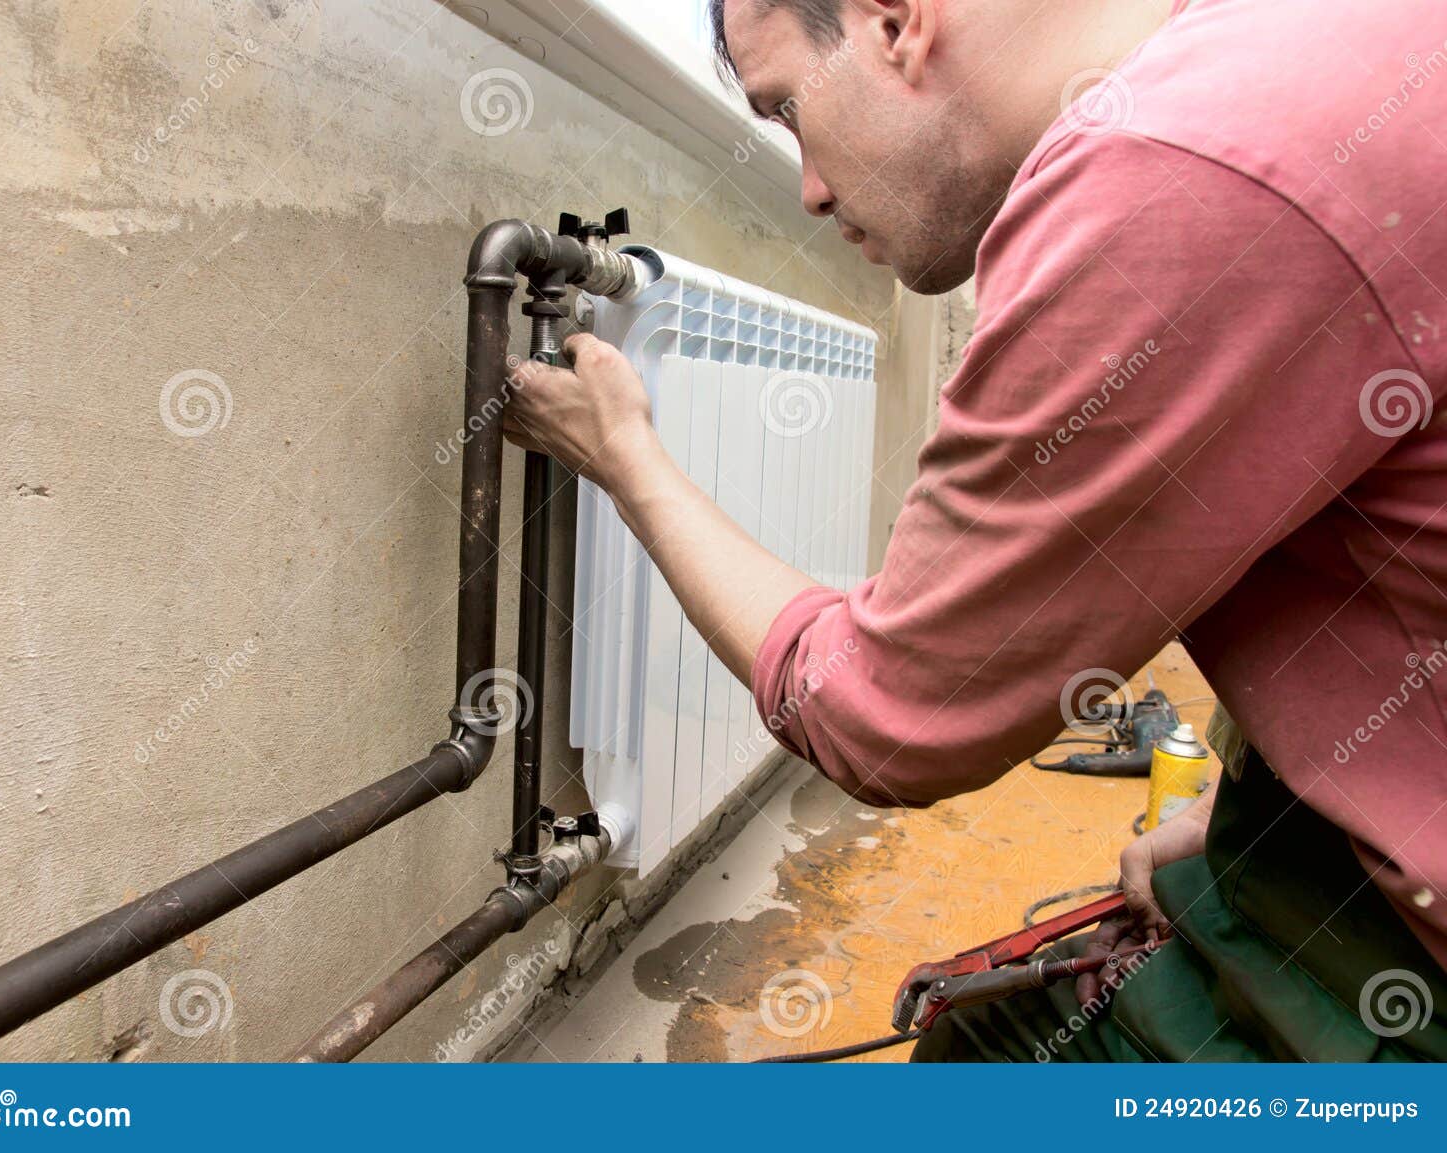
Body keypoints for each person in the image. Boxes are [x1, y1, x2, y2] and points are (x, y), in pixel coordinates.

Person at [504, 0, 1447, 1060]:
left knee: (980, 1055)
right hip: (1341, 844)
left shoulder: (1174, 173)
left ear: (895, 20)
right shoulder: (1314, 49)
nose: (809, 188)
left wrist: (627, 457)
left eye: (788, 114)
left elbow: (884, 715)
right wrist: (1253, 834)